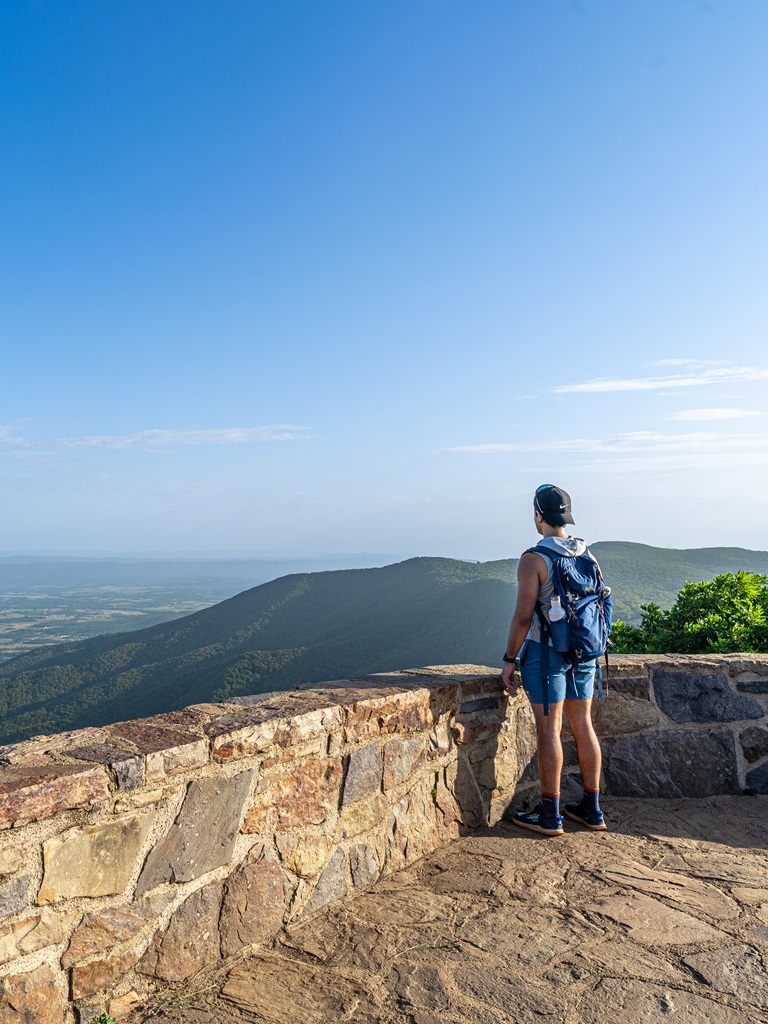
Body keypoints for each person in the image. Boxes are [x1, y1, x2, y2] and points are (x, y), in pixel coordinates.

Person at [501, 484, 606, 836]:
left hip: (547, 656)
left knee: (550, 730)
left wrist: (509, 659)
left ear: (538, 515)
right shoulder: (587, 556)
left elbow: (522, 617)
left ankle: (550, 815)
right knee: (583, 726)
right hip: (585, 654)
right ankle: (591, 810)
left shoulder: (535, 559)